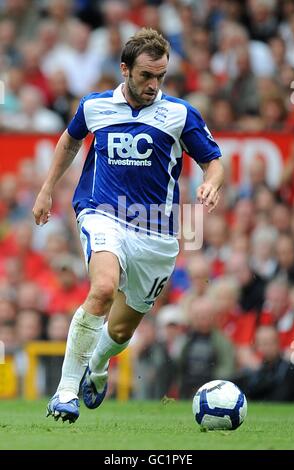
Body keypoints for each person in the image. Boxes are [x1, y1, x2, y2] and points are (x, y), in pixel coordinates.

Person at [32, 28, 224, 423]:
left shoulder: (180, 114)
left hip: (157, 234)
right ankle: (65, 392)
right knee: (101, 289)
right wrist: (47, 189)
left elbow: (213, 160)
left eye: (160, 77)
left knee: (119, 333)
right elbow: (69, 142)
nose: (154, 85)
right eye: (145, 76)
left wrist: (211, 183)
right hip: (104, 212)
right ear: (125, 69)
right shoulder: (94, 107)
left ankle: (97, 366)